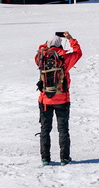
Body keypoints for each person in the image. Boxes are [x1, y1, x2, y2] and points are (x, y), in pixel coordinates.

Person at [35, 31, 82, 166]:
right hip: (62, 99)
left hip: (44, 100)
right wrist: (70, 39)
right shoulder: (64, 58)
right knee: (63, 129)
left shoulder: (40, 57)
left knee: (45, 129)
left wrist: (47, 44)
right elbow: (78, 53)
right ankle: (64, 158)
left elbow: (40, 49)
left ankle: (45, 158)